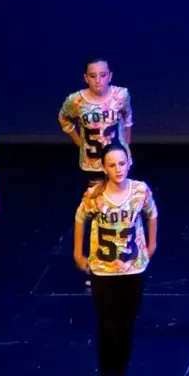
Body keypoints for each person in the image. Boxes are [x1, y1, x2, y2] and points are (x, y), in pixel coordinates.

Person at [73, 143, 158, 376]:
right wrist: (79, 251)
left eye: (121, 164)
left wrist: (151, 245)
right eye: (111, 165)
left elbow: (152, 214)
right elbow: (80, 218)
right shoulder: (95, 195)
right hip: (104, 269)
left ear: (129, 162)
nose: (117, 169)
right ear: (104, 167)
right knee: (107, 324)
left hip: (133, 269)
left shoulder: (140, 191)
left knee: (126, 325)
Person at [59, 58, 134, 285]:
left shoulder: (121, 95)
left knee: (121, 209)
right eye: (93, 76)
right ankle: (98, 262)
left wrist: (125, 150)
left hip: (117, 164)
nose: (98, 80)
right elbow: (63, 118)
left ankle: (122, 258)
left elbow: (127, 119)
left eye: (102, 75)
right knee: (97, 211)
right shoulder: (76, 101)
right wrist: (79, 142)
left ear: (110, 75)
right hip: (92, 165)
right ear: (85, 77)